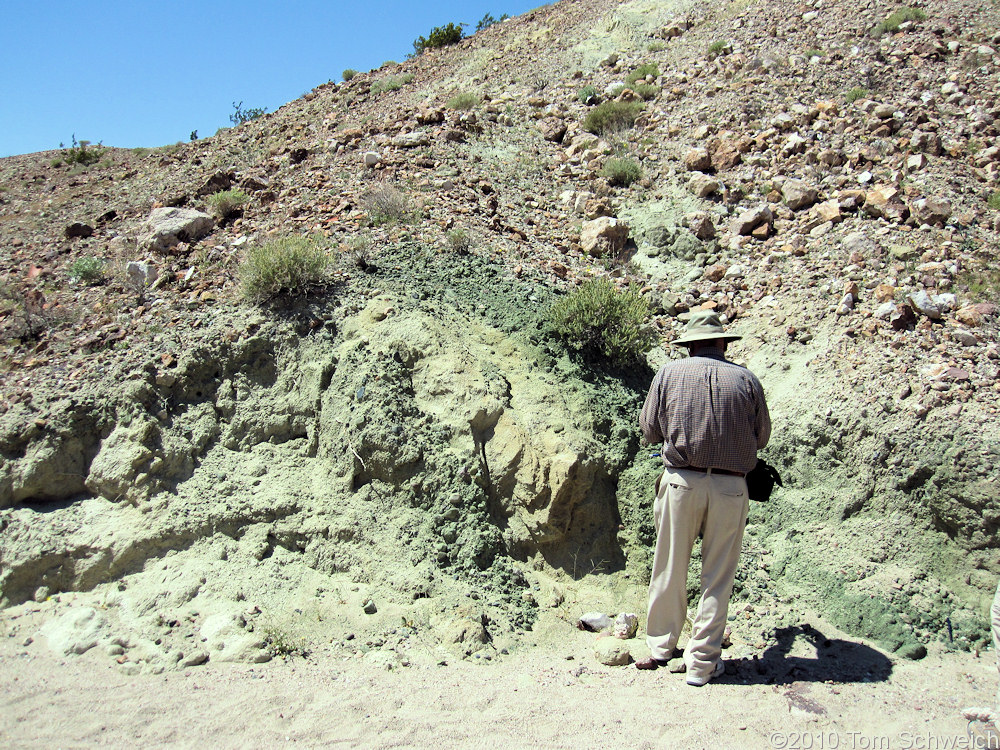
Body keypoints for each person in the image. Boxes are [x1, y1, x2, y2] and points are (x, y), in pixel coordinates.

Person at [635, 310, 771, 685]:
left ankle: (661, 647)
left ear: (689, 345)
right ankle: (702, 663)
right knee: (718, 576)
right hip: (730, 487)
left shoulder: (667, 374)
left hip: (681, 482)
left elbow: (649, 430)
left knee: (669, 565)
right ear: (724, 343)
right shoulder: (746, 379)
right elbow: (761, 438)